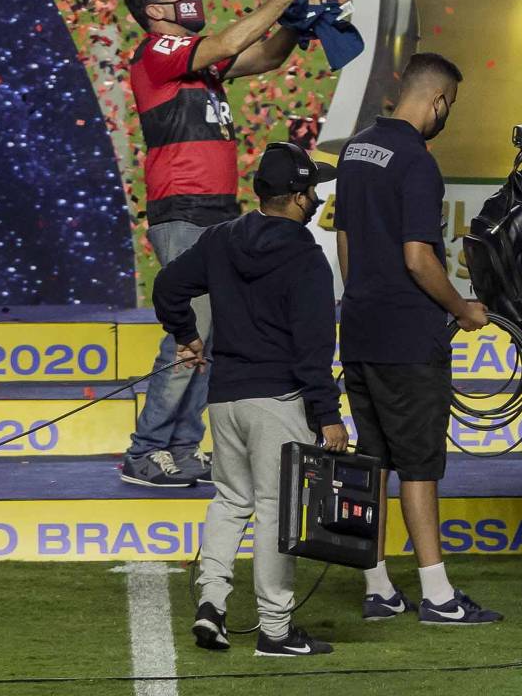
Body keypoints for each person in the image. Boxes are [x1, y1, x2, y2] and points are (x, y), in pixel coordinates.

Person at [116, 0, 315, 488]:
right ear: (155, 13)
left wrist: (295, 25)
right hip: (182, 211)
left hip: (215, 213)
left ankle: (180, 447)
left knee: (213, 331)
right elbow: (230, 43)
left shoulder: (192, 63)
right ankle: (146, 449)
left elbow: (266, 58)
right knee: (190, 331)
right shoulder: (158, 51)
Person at [156, 142, 345, 658]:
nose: (316, 200)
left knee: (230, 502)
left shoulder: (221, 239)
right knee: (274, 511)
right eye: (312, 191)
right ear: (300, 196)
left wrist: (187, 337)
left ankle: (211, 605)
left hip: (225, 400)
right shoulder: (306, 258)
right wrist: (328, 416)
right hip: (278, 402)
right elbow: (312, 351)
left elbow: (169, 286)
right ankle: (275, 631)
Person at [333, 54, 498, 626]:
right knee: (420, 466)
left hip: (359, 328)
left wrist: (364, 299)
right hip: (408, 338)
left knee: (372, 462)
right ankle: (437, 594)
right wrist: (462, 308)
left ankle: (378, 588)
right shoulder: (418, 162)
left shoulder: (355, 149)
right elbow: (418, 257)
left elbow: (346, 244)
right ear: (439, 102)